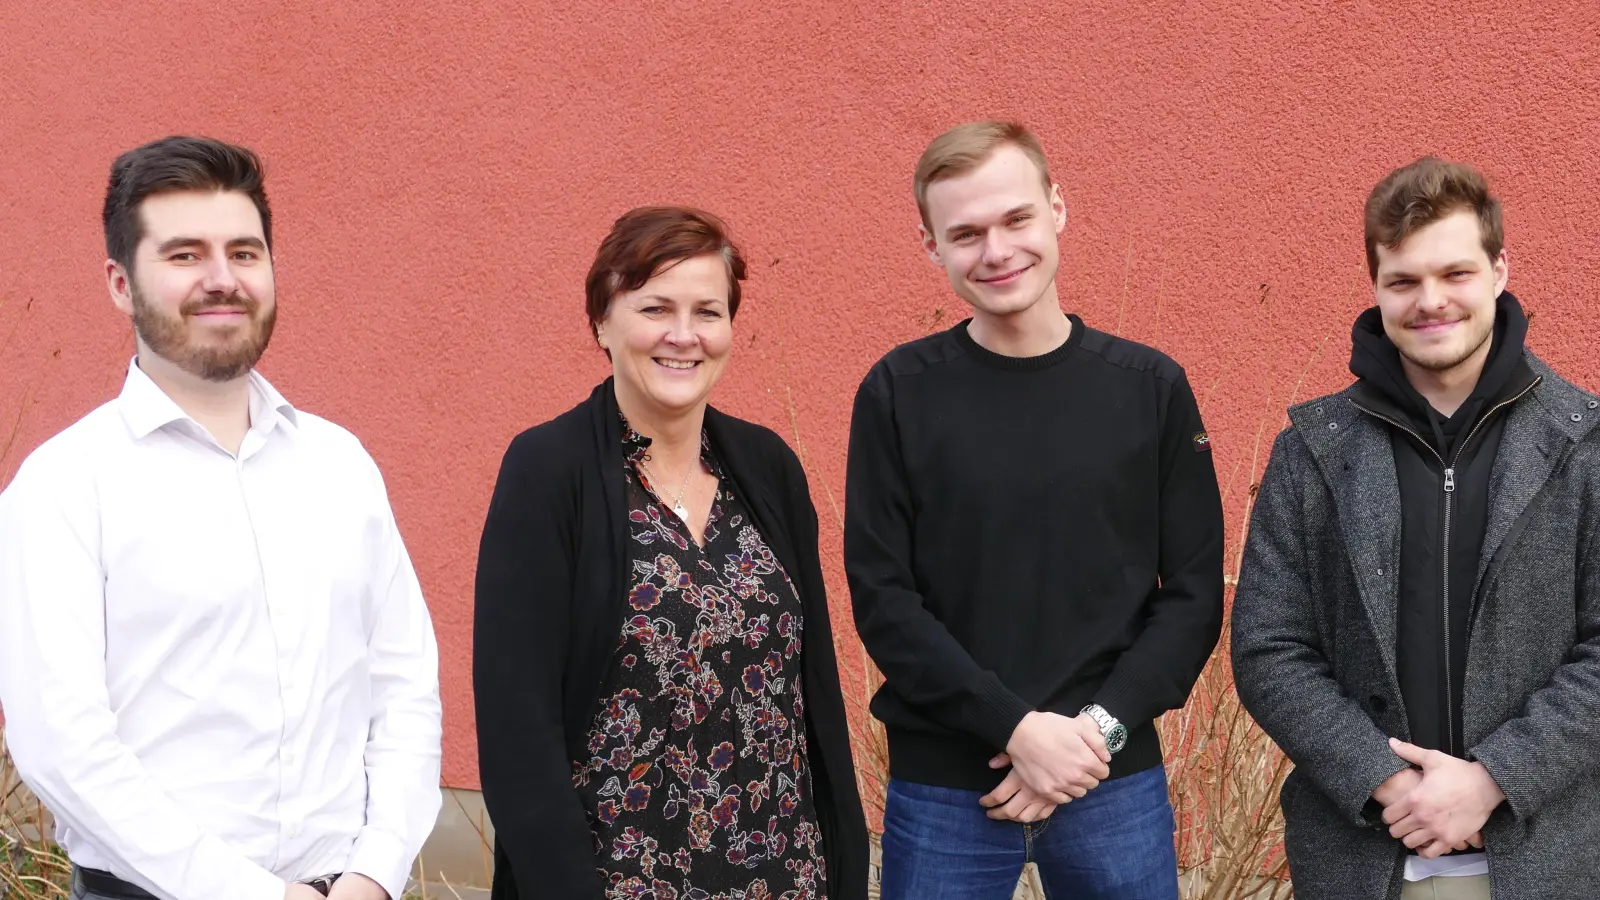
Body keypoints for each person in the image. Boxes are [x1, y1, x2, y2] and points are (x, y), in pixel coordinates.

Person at [0, 136, 443, 900]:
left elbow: (403, 685)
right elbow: (62, 744)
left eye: (244, 251)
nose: (221, 280)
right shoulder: (65, 486)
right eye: (183, 255)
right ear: (118, 282)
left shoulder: (339, 465)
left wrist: (379, 867)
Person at [844, 120, 1224, 899]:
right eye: (966, 233)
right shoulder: (897, 393)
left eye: (1016, 219)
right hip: (948, 787)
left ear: (1058, 209)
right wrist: (1015, 729)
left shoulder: (1149, 389)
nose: (997, 250)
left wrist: (1094, 736)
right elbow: (884, 602)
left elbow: (1191, 597)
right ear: (931, 248)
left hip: (1110, 780)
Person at [472, 206, 867, 900]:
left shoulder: (767, 467)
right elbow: (517, 729)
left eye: (707, 312)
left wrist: (845, 864)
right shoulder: (547, 471)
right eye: (655, 307)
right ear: (602, 320)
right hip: (617, 881)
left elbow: (816, 698)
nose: (684, 336)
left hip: (783, 875)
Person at [1232, 157, 1600, 900]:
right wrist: (1381, 780)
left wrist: (1497, 777)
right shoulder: (1313, 448)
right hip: (1364, 859)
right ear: (1375, 286)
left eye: (1455, 273)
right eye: (1403, 281)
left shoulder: (1584, 445)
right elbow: (1269, 647)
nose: (1431, 301)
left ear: (1500, 270)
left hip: (1550, 860)